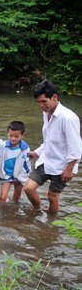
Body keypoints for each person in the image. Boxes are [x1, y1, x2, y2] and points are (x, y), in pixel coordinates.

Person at [24, 80, 82, 214]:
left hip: (63, 165)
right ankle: (38, 211)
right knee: (28, 188)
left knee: (52, 196)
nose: (41, 105)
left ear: (55, 97)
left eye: (44, 101)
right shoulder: (46, 113)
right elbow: (49, 140)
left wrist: (69, 168)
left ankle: (51, 225)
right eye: (38, 102)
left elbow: (76, 146)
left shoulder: (68, 118)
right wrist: (36, 153)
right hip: (47, 160)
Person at [0, 121, 31, 204]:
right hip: (6, 175)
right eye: (10, 135)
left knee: (16, 198)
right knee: (2, 198)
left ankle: (13, 213)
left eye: (16, 136)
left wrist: (20, 177)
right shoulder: (3, 146)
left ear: (22, 135)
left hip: (19, 177)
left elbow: (27, 166)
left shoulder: (24, 149)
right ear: (7, 133)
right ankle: (1, 213)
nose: (12, 138)